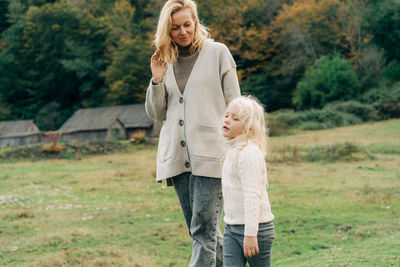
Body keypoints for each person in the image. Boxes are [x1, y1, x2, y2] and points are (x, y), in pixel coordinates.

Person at [145, 0, 241, 266]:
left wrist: (237, 149)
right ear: (167, 30)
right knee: (203, 232)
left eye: (188, 24)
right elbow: (157, 113)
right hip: (177, 157)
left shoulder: (218, 53)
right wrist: (157, 80)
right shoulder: (165, 60)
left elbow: (236, 105)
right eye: (175, 28)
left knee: (202, 231)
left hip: (213, 155)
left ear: (196, 22)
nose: (183, 31)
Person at [221, 96, 275, 267]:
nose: (227, 120)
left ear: (249, 128)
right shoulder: (231, 150)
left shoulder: (249, 153)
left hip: (256, 230)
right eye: (227, 115)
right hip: (231, 228)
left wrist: (251, 234)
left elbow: (252, 196)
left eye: (235, 118)